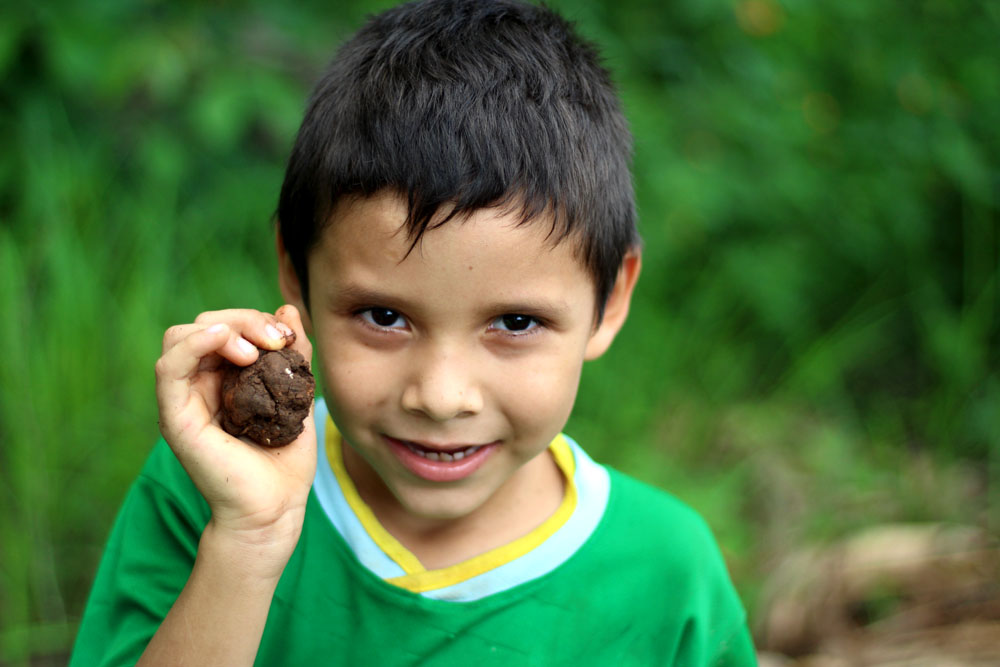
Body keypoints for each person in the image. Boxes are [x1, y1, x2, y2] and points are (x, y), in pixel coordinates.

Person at [71, 0, 757, 664]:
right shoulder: (212, 490)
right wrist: (249, 541)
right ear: (295, 272)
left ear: (610, 301)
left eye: (515, 323)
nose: (440, 395)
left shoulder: (668, 573)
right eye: (384, 316)